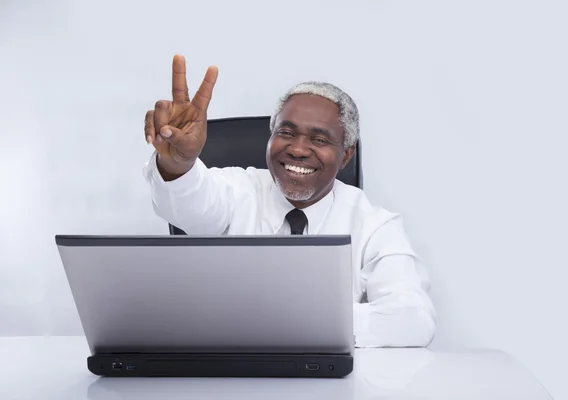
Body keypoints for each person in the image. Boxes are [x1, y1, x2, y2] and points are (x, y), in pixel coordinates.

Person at [143, 54, 437, 347]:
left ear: (346, 155)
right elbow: (189, 202)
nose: (297, 150)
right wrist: (179, 163)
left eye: (319, 140)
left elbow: (412, 320)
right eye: (286, 133)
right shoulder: (237, 190)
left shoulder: (375, 226)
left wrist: (288, 319)